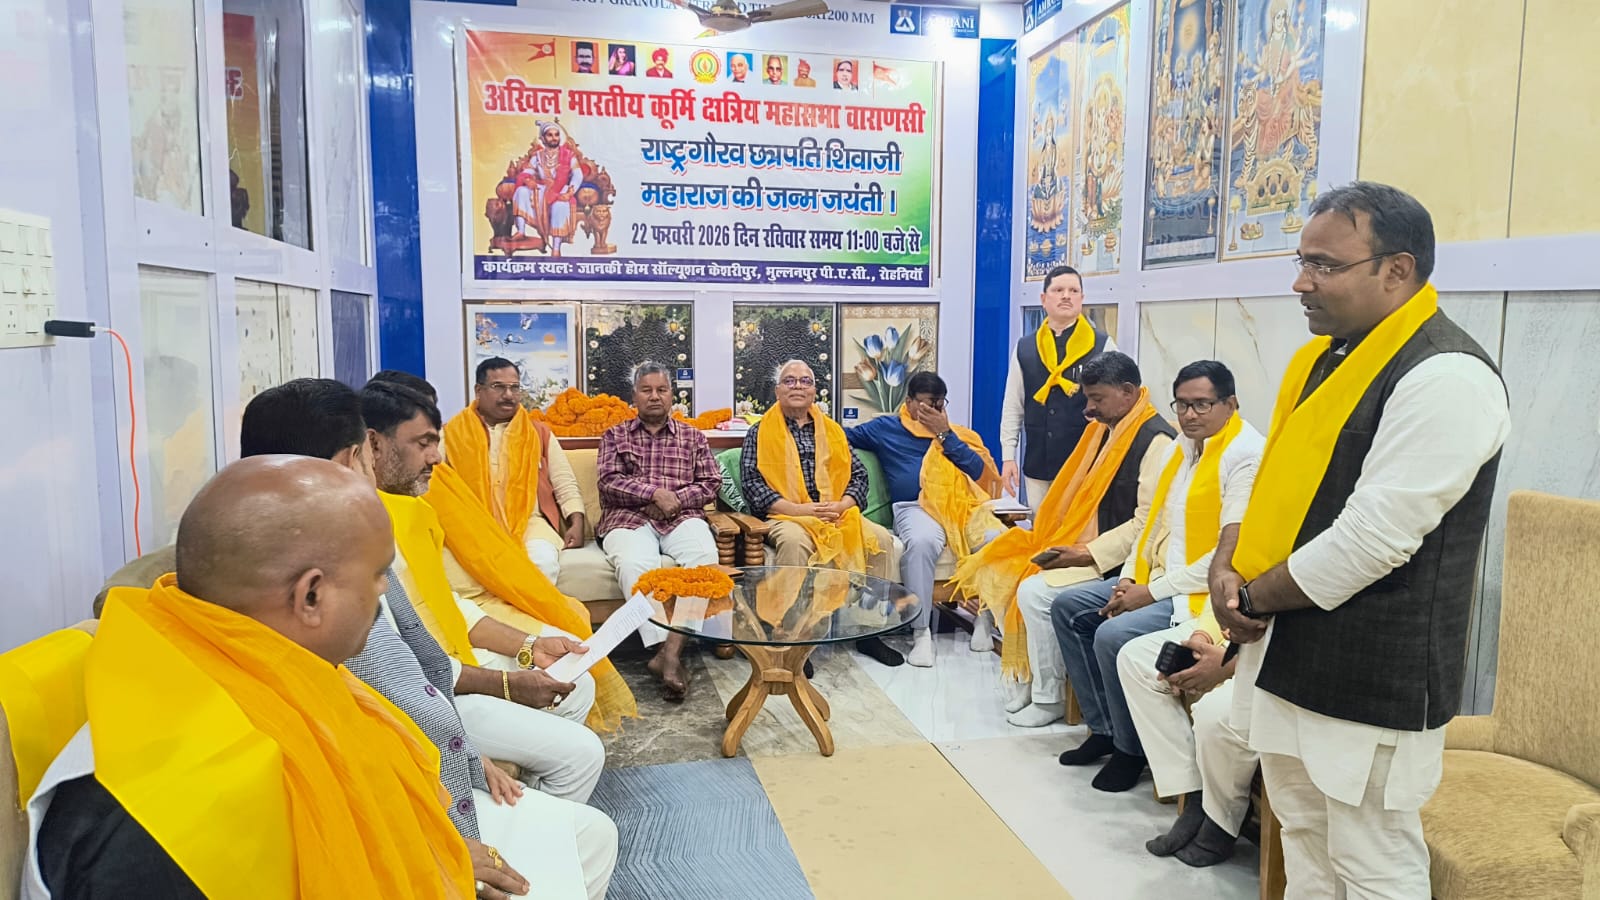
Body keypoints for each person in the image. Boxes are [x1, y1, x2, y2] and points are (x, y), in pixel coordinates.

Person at [1210, 182, 1508, 896]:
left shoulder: (1446, 375)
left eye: (1324, 265)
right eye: (1302, 261)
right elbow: (1271, 476)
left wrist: (1251, 595)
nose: (1301, 282)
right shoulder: (1327, 359)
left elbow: (1373, 539)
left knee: (1372, 860)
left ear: (1396, 270)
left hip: (1374, 667)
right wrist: (1226, 561)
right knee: (1304, 839)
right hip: (1288, 652)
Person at [27, 457, 479, 898]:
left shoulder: (263, 672)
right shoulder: (160, 818)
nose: (384, 590)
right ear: (311, 596)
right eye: (379, 575)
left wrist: (420, 853)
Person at [241, 379, 618, 807]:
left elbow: (440, 604)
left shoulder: (372, 519)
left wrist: (529, 646)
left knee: (574, 683)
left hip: (439, 671)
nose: (437, 458)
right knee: (582, 761)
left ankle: (529, 803)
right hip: (420, 698)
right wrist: (500, 695)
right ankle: (520, 822)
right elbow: (398, 676)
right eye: (423, 443)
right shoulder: (339, 553)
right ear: (361, 453)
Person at [1045, 361, 1263, 795]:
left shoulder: (1246, 456)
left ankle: (1129, 751)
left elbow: (1228, 555)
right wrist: (1128, 580)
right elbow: (1151, 523)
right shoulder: (1183, 447)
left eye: (1201, 404)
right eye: (1182, 404)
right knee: (1068, 607)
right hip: (1159, 575)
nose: (1190, 414)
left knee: (1111, 635)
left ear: (1231, 404)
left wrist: (1149, 592)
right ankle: (1104, 729)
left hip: (1198, 591)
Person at [953, 352, 1173, 730]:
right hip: (1082, 543)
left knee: (1035, 591)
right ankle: (1027, 676)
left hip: (1118, 561)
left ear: (1128, 392)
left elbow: (1145, 524)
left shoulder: (1157, 442)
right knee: (1001, 566)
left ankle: (1049, 696)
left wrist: (1086, 553)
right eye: (1087, 398)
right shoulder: (1105, 429)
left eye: (1097, 399)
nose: (1089, 409)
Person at [741, 360, 901, 666]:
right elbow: (753, 486)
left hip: (835, 513)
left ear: (815, 391)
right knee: (794, 543)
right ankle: (793, 637)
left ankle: (868, 632)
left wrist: (842, 505)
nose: (798, 386)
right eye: (790, 381)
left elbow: (859, 476)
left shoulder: (833, 431)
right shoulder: (759, 432)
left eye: (805, 381)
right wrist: (799, 510)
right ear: (777, 390)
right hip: (786, 515)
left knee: (881, 540)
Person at [846, 371, 1006, 666]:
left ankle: (984, 619)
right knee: (921, 542)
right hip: (915, 507)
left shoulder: (955, 434)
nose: (934, 410)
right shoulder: (885, 428)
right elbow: (839, 436)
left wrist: (944, 434)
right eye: (927, 404)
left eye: (939, 404)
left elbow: (977, 471)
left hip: (961, 508)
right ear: (909, 402)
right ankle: (921, 632)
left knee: (995, 538)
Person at [598, 361, 723, 701]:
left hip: (681, 517)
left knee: (704, 559)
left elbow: (711, 483)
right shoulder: (615, 435)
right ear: (634, 396)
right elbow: (608, 482)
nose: (654, 396)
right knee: (635, 565)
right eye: (646, 390)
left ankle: (670, 652)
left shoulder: (693, 437)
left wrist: (675, 500)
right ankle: (660, 648)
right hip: (628, 518)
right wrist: (653, 494)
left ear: (672, 395)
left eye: (661, 390)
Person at [437, 357, 586, 585]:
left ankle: (529, 610)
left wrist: (576, 521)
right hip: (472, 525)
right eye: (498, 387)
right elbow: (433, 484)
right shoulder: (451, 433)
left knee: (542, 563)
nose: (508, 395)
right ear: (478, 390)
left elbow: (564, 482)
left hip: (529, 524)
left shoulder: (538, 433)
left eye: (514, 387)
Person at [1000, 265, 1117, 510]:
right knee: (1042, 528)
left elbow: (1119, 405)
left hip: (1086, 465)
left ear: (1082, 298)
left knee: (1078, 530)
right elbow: (1013, 405)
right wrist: (1008, 456)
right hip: (1038, 465)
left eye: (1073, 291)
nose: (1066, 296)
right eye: (1058, 290)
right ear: (1043, 299)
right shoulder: (1025, 348)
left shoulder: (1103, 346)